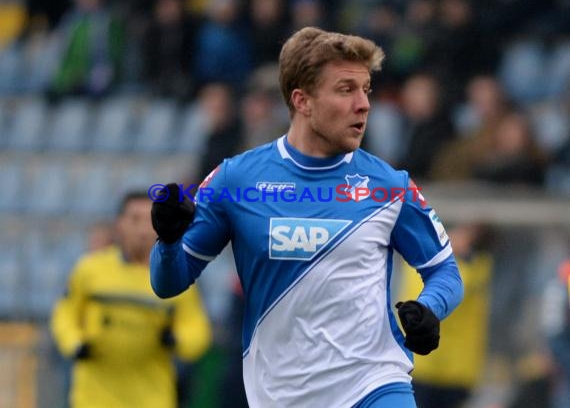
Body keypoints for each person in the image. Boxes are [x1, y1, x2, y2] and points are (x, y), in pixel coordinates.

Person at [150, 26, 463, 408]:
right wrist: (167, 241)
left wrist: (429, 308)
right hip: (280, 395)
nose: (363, 104)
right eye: (346, 89)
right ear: (303, 101)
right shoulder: (236, 180)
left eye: (366, 90)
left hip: (374, 384)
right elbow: (168, 282)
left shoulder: (389, 186)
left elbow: (445, 272)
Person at [51, 191, 212, 408]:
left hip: (152, 398)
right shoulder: (90, 269)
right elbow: (65, 313)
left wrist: (177, 340)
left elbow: (197, 328)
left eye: (149, 219)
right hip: (93, 397)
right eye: (134, 219)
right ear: (119, 225)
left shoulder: (176, 276)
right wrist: (75, 343)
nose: (142, 229)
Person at [398, 222, 494, 408]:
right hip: (423, 366)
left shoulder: (471, 270)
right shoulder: (429, 260)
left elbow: (447, 292)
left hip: (448, 372)